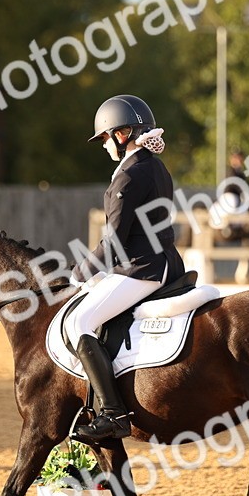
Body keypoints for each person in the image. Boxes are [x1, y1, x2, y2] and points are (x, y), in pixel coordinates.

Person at [68, 94, 186, 442]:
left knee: (79, 321)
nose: (105, 145)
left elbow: (114, 242)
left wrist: (78, 274)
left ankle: (113, 414)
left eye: (106, 137)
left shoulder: (129, 175)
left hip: (141, 269)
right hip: (163, 261)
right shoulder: (155, 166)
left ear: (122, 134)